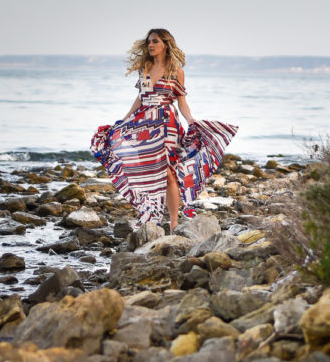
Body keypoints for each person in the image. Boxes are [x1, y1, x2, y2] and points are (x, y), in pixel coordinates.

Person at [91, 28, 238, 231]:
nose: (150, 45)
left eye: (155, 41)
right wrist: (124, 120)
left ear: (165, 45)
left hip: (167, 124)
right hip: (144, 122)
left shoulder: (176, 71)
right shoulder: (145, 67)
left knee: (168, 172)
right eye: (149, 41)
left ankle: (174, 221)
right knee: (148, 168)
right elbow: (141, 97)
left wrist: (191, 120)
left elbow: (181, 102)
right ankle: (149, 211)